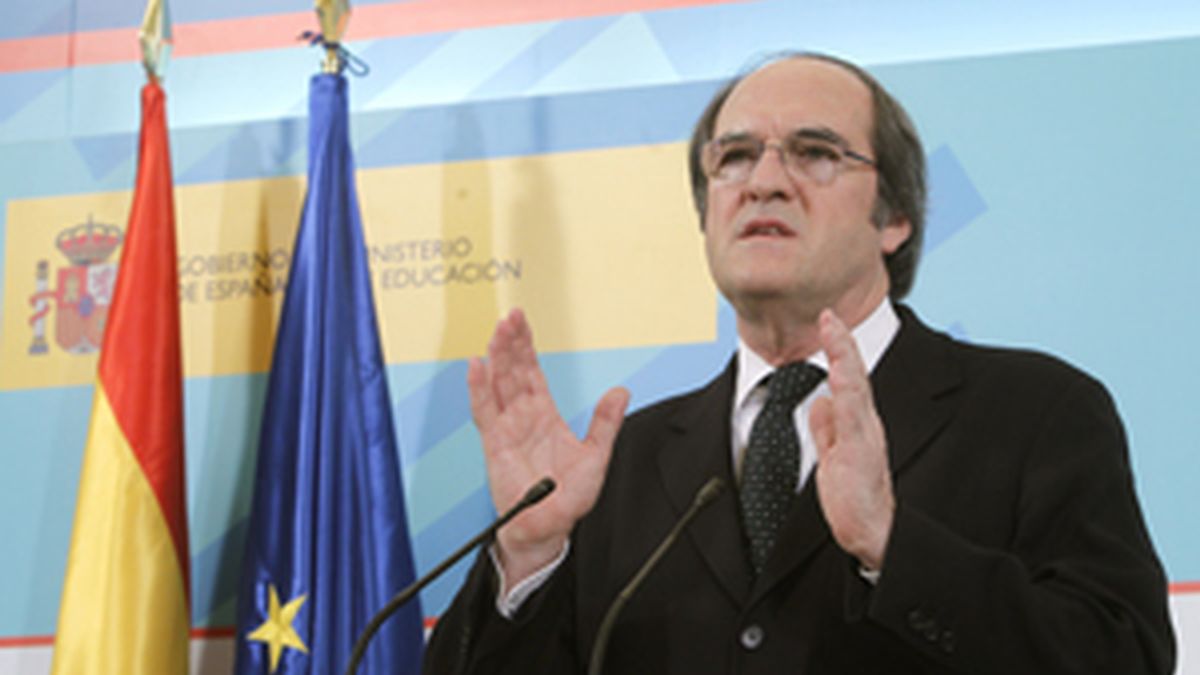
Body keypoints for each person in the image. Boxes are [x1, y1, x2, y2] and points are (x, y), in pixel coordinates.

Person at [422, 52, 1176, 674]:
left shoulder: (1035, 411)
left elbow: (1125, 658)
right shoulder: (619, 464)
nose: (764, 180)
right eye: (735, 157)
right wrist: (530, 553)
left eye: (814, 153)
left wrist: (893, 544)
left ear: (897, 218)